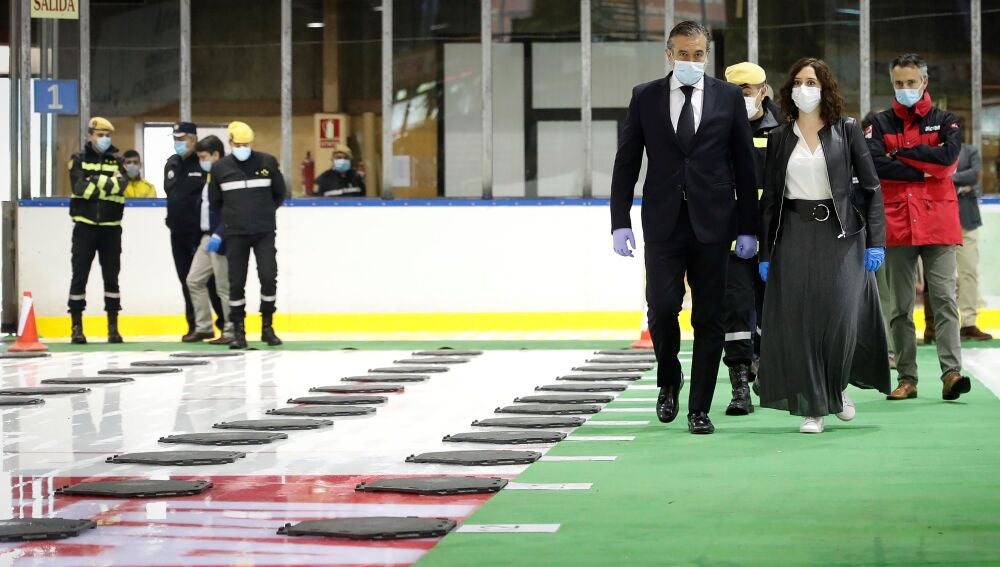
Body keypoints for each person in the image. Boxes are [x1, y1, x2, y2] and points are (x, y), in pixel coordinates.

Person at [610, 21, 758, 435]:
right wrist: (619, 221)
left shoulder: (728, 97)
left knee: (710, 318)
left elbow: (745, 167)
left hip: (714, 223)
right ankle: (669, 378)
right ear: (669, 54)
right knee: (661, 308)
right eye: (684, 53)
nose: (692, 61)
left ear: (707, 56)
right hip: (662, 221)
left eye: (699, 54)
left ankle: (699, 409)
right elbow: (627, 162)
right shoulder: (645, 97)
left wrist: (748, 227)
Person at [757, 58, 891, 434]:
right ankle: (813, 406)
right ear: (789, 91)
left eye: (811, 82)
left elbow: (872, 189)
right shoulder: (779, 137)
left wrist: (875, 242)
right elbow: (769, 200)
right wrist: (766, 252)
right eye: (798, 81)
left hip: (843, 235)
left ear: (825, 88)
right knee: (802, 321)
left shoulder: (846, 131)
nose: (804, 88)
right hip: (795, 234)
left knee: (840, 318)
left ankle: (836, 387)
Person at [866, 53, 971, 402]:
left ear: (924, 82)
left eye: (912, 82)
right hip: (897, 225)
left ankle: (951, 373)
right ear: (892, 83)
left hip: (938, 221)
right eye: (899, 83)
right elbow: (876, 165)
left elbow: (948, 161)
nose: (905, 89)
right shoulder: (879, 123)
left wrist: (901, 155)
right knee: (898, 307)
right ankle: (907, 378)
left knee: (943, 299)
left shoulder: (946, 120)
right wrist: (924, 166)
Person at [719, 61, 781, 416]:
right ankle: (740, 384)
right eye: (736, 90)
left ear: (763, 91)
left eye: (748, 90)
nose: (743, 96)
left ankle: (769, 376)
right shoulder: (716, 131)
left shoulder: (783, 133)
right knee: (737, 314)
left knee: (773, 313)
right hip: (732, 240)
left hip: (774, 241)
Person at [208, 121, 287, 349]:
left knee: (268, 276)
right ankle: (239, 331)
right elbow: (215, 202)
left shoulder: (267, 162)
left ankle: (267, 327)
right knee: (236, 283)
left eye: (246, 144)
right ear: (230, 142)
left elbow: (279, 193)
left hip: (263, 231)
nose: (242, 147)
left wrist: (263, 213)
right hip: (235, 234)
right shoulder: (220, 168)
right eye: (238, 144)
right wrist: (232, 219)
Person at [67, 117, 127, 344]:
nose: (104, 139)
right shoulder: (78, 159)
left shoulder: (117, 161)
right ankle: (76, 327)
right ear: (90, 135)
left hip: (111, 229)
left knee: (111, 278)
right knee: (79, 276)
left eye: (107, 135)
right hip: (85, 227)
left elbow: (120, 188)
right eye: (99, 135)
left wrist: (95, 181)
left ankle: (113, 327)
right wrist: (107, 184)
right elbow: (80, 188)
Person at [164, 121, 226, 342]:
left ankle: (226, 325)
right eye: (175, 139)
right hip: (177, 231)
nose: (178, 143)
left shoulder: (204, 163)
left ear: (193, 138)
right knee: (188, 280)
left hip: (200, 233)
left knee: (213, 282)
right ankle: (197, 326)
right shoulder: (171, 163)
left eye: (182, 139)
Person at [184, 135, 233, 345]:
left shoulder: (228, 177)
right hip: (206, 237)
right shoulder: (208, 178)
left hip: (221, 237)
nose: (201, 161)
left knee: (224, 287)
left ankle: (232, 330)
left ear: (216, 155)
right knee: (193, 280)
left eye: (204, 157)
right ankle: (204, 327)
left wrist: (220, 233)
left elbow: (232, 210)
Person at [951, 122, 992, 341]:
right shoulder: (937, 152)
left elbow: (974, 174)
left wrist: (948, 181)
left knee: (968, 273)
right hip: (940, 222)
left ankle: (968, 323)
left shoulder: (972, 152)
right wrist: (961, 186)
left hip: (967, 222)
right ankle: (941, 327)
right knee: (938, 278)